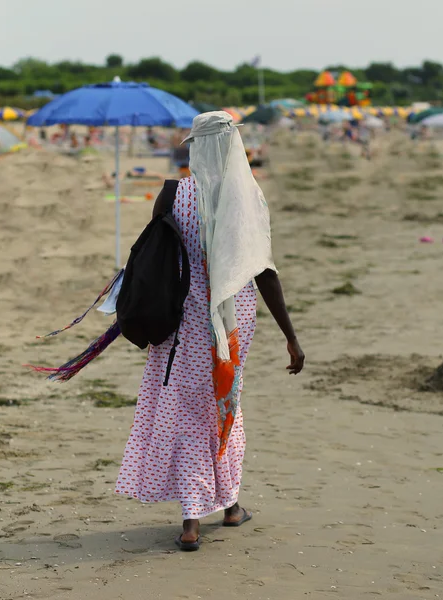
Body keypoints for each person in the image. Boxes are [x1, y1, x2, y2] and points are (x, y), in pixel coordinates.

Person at [115, 111, 305, 551]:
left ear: (194, 146)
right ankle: (226, 507)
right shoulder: (247, 199)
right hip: (230, 328)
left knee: (184, 413)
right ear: (234, 145)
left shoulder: (171, 195)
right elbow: (265, 274)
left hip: (179, 326)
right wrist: (290, 335)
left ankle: (193, 520)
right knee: (224, 406)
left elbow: (153, 258)